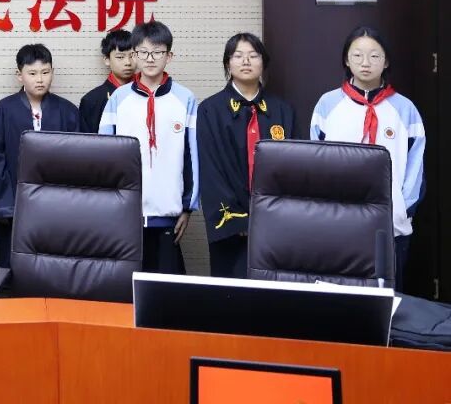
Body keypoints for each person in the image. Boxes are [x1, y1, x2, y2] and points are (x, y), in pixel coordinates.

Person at [311, 25, 425, 289]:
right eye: (357, 55)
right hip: (339, 221)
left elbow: (416, 166)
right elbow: (317, 163)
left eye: (374, 56)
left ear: (386, 62)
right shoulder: (328, 105)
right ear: (346, 60)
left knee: (387, 295)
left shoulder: (404, 108)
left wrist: (403, 210)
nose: (365, 62)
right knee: (342, 295)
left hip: (391, 223)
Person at [100, 20, 198, 275]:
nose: (150, 58)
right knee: (125, 286)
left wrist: (188, 206)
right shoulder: (118, 99)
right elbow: (105, 155)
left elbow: (193, 156)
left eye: (158, 52)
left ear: (169, 56)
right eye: (143, 52)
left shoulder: (185, 99)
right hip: (126, 212)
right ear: (134, 55)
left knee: (167, 287)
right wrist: (109, 204)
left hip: (169, 211)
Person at [197, 33, 295, 278]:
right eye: (238, 56)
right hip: (230, 227)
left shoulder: (283, 110)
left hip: (275, 225)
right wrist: (238, 220)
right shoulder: (210, 110)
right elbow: (210, 169)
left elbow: (294, 167)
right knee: (230, 291)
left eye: (253, 55)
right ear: (228, 63)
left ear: (263, 63)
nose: (246, 61)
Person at [0, 43, 80, 268]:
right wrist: (5, 207)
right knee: (14, 263)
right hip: (16, 206)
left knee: (54, 263)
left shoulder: (68, 111)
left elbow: (78, 160)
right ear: (20, 75)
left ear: (52, 72)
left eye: (45, 72)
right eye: (33, 73)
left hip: (58, 204)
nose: (40, 79)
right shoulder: (2, 111)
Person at [79, 29, 134, 134]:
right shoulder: (92, 100)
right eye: (120, 57)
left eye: (132, 56)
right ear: (107, 60)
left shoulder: (148, 93)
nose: (128, 62)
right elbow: (86, 141)